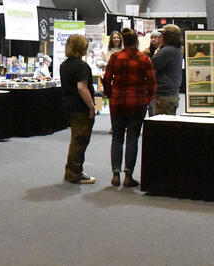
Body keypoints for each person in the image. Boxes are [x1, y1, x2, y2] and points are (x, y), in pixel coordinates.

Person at [102, 28, 156, 188]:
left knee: (117, 138)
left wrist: (110, 94)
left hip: (117, 102)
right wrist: (146, 99)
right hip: (137, 104)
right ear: (137, 42)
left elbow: (106, 79)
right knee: (132, 139)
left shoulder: (115, 57)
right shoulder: (144, 59)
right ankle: (128, 175)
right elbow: (152, 83)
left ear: (124, 41)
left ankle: (115, 174)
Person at [60, 34, 96, 184]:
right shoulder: (82, 66)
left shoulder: (64, 65)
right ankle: (74, 173)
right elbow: (82, 88)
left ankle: (72, 170)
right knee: (80, 140)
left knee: (76, 139)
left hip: (68, 106)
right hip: (80, 108)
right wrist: (92, 107)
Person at [149, 25, 182, 116]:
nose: (161, 37)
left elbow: (151, 65)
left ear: (168, 36)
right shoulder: (177, 50)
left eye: (162, 34)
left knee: (160, 126)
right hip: (171, 94)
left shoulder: (167, 51)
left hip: (163, 96)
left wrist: (156, 54)